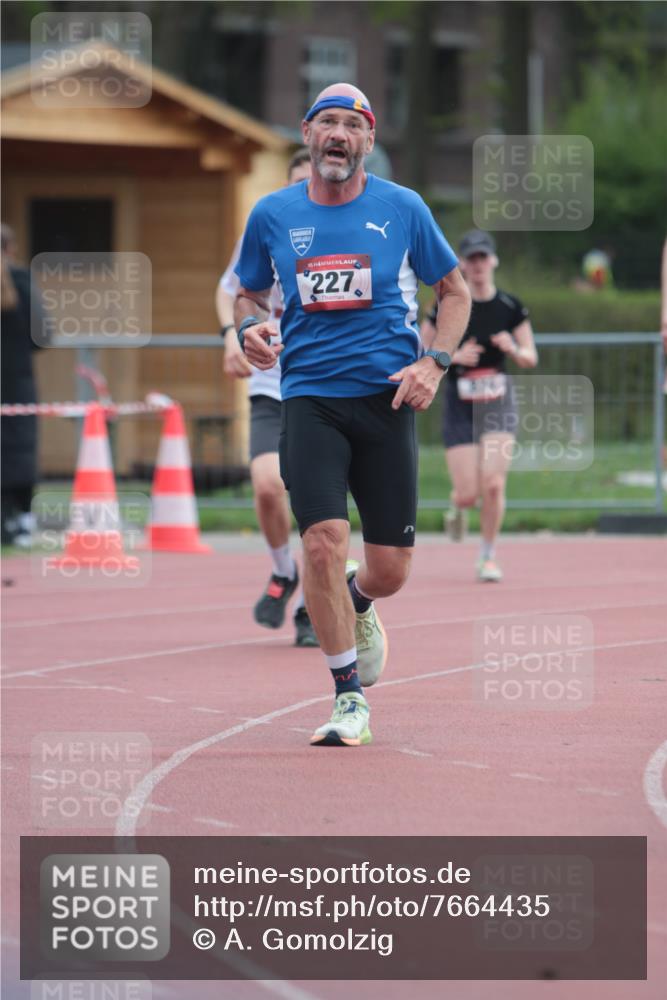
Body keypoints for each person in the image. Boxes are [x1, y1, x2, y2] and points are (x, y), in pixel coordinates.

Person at [233, 84, 470, 747]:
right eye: (327, 122)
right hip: (308, 400)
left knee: (389, 569)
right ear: (306, 134)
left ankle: (358, 600)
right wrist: (247, 328)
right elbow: (248, 292)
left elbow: (453, 291)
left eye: (352, 125)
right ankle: (347, 699)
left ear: (368, 141)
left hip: (387, 399)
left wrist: (435, 361)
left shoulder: (402, 208)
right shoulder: (273, 213)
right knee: (320, 542)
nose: (338, 134)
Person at [216, 149, 318, 648]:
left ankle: (310, 607)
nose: (308, 187)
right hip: (271, 383)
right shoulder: (270, 222)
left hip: (322, 381)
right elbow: (229, 289)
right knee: (265, 485)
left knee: (318, 504)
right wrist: (229, 335)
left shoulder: (343, 225)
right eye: (299, 180)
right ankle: (284, 572)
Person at [421, 229, 538, 582]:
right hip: (460, 402)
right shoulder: (447, 305)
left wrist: (513, 350)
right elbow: (422, 354)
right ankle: (457, 507)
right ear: (461, 264)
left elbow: (531, 355)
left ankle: (487, 556)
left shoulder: (510, 306)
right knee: (468, 494)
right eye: (471, 258)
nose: (478, 265)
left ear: (493, 261)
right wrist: (454, 356)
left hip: (498, 399)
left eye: (483, 257)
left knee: (493, 484)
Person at [1, 224, 47, 547]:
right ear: (12, 249)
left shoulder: (19, 281)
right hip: (17, 382)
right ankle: (22, 521)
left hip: (14, 382)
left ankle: (12, 520)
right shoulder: (21, 280)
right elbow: (42, 337)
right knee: (20, 451)